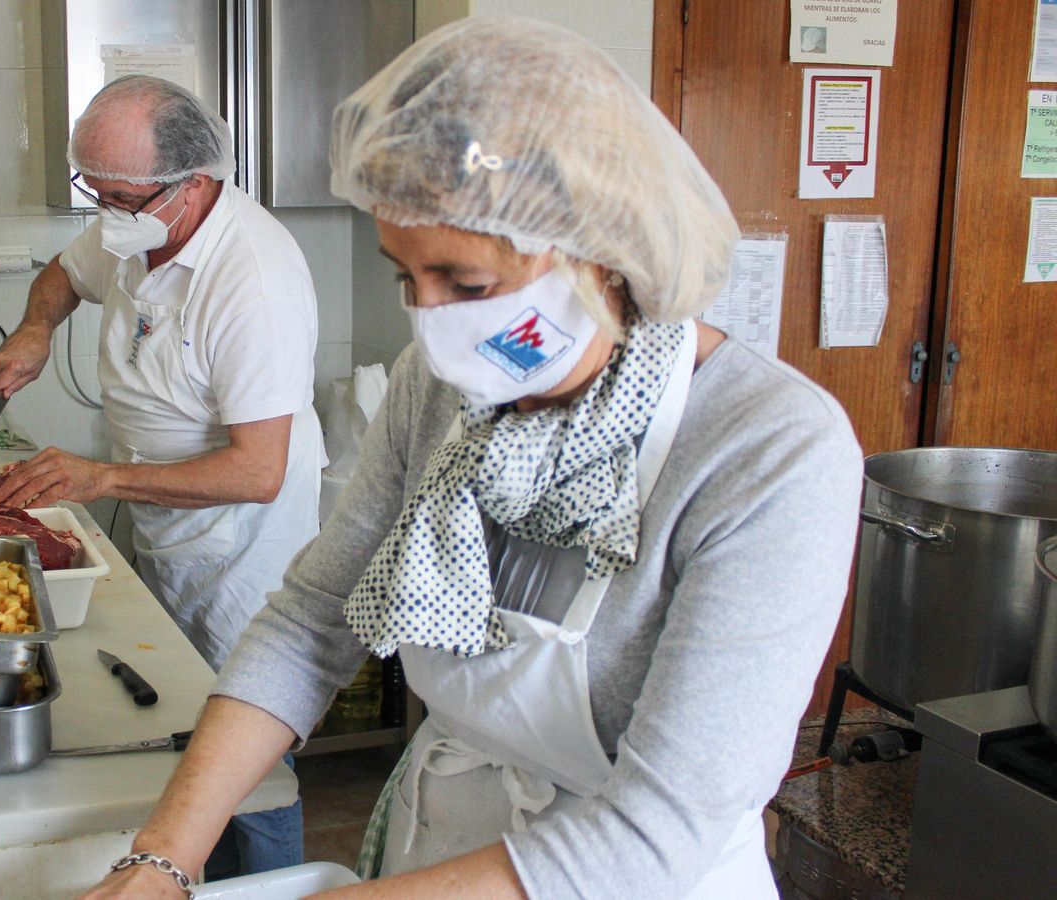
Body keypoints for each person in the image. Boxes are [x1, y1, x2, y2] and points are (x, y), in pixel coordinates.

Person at [81, 17, 863, 900]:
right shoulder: (444, 387)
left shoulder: (769, 451)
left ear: (601, 245)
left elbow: (661, 827)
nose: (434, 326)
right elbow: (310, 624)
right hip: (441, 853)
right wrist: (160, 861)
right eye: (407, 278)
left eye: (469, 284)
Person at [0, 74, 321, 876]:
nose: (105, 211)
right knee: (181, 714)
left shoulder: (253, 279)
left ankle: (266, 887)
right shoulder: (135, 225)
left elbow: (257, 471)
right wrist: (35, 331)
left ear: (194, 185)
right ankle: (180, 874)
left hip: (246, 544)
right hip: (163, 509)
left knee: (251, 750)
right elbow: (62, 277)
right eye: (91, 190)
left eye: (120, 196)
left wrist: (100, 479)